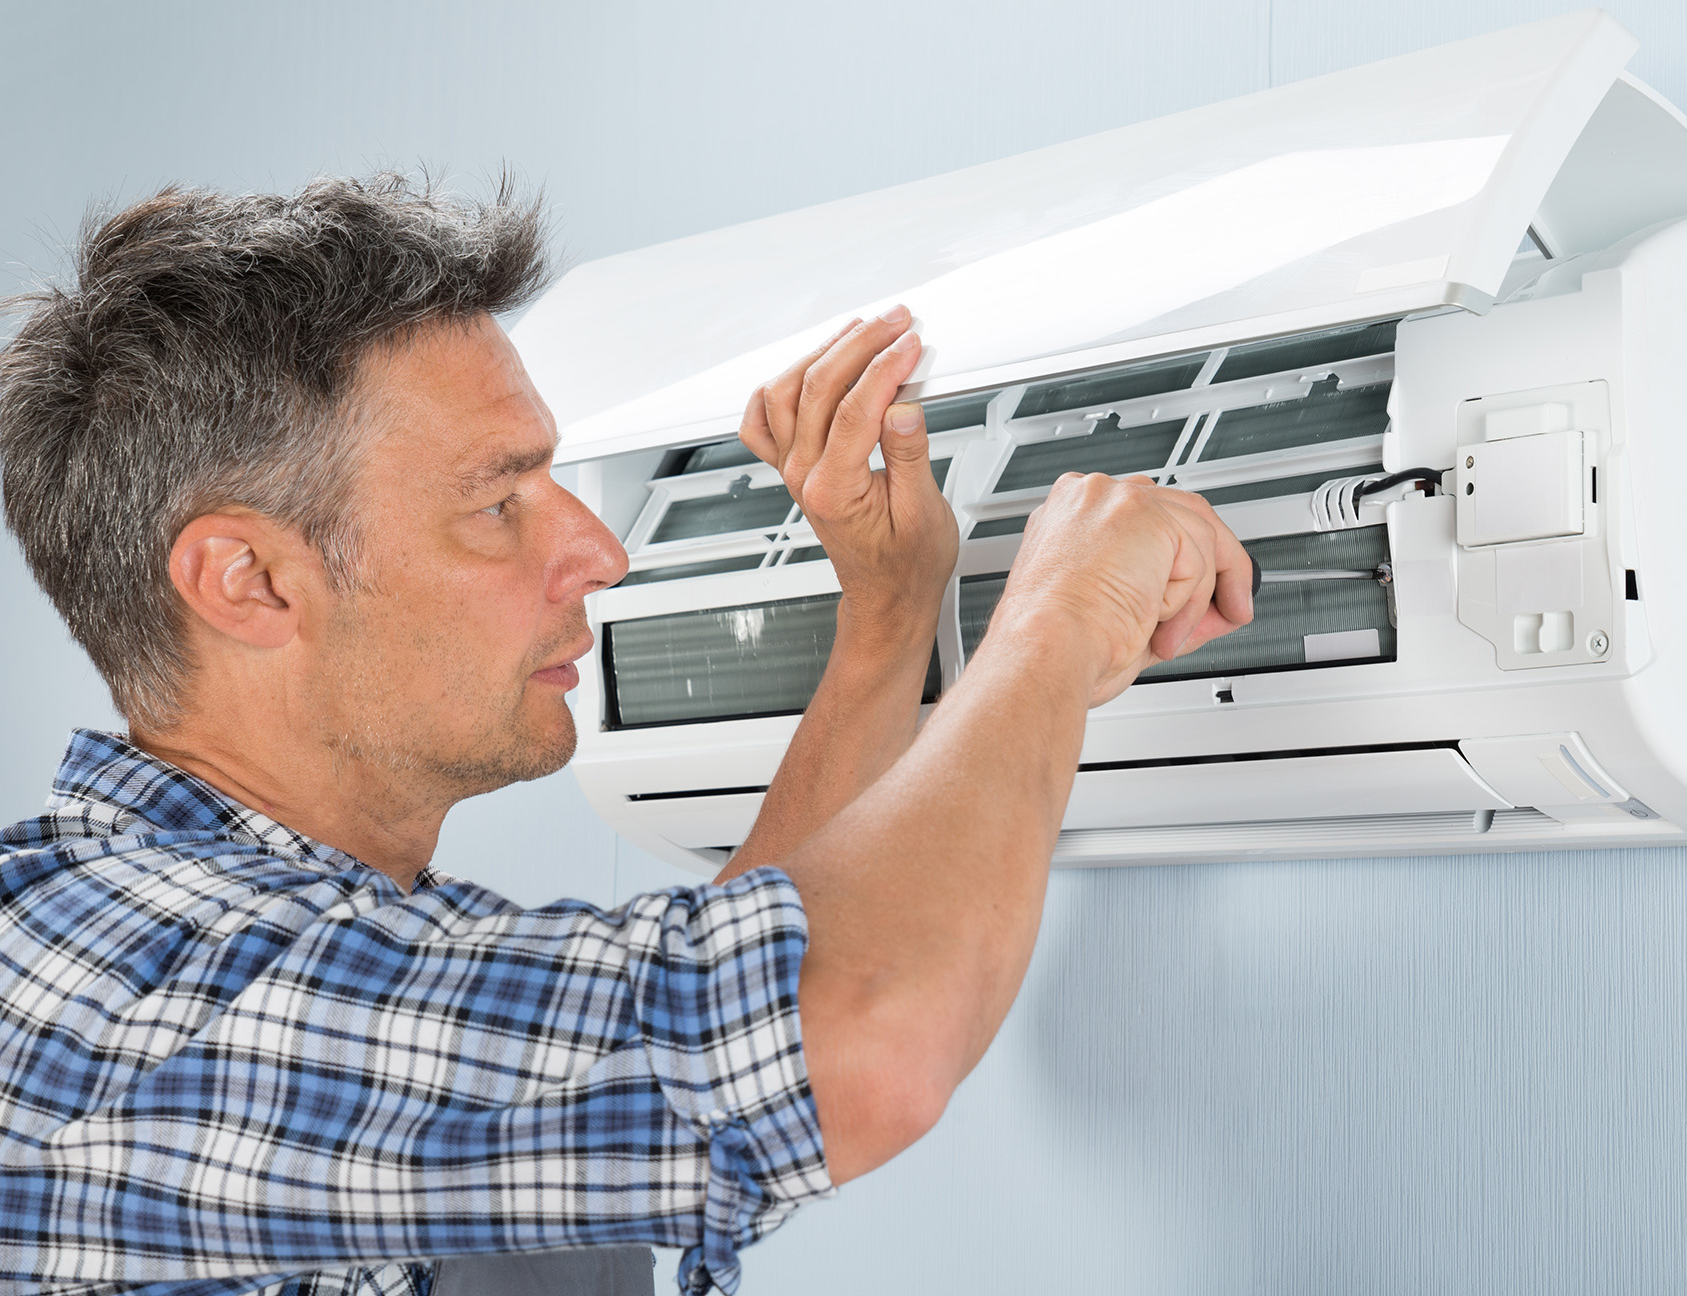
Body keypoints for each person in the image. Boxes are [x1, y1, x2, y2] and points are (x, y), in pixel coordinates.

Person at [0, 175, 1252, 1296]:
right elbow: (843, 1044)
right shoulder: (91, 982)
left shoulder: (349, 939)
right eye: (496, 504)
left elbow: (710, 1024)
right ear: (250, 582)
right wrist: (1061, 621)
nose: (599, 553)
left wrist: (889, 613)